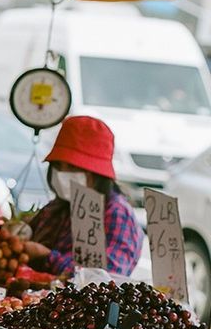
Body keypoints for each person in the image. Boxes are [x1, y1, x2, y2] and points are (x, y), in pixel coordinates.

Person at [24, 115, 143, 276]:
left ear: (97, 174)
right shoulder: (56, 208)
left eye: (73, 167)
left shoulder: (116, 214)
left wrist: (47, 256)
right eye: (58, 165)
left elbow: (106, 278)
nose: (63, 174)